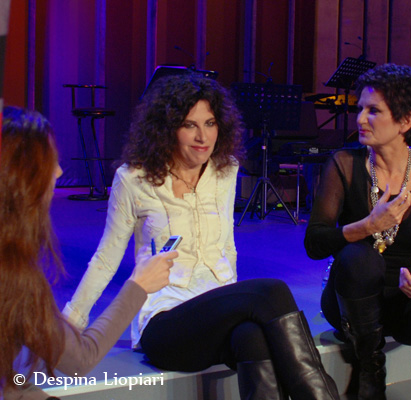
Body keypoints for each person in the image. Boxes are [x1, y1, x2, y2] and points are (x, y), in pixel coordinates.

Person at [62, 74, 340, 400]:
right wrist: (70, 325)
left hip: (217, 311)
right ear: (167, 128)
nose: (202, 137)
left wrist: (238, 304)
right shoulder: (134, 178)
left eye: (209, 124)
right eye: (189, 125)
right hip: (166, 322)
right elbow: (106, 258)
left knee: (252, 336)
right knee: (272, 292)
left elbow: (227, 247)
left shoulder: (225, 170)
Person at [305, 64, 411, 400]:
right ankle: (370, 371)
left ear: (405, 121)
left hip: (404, 305)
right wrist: (367, 226)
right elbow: (315, 243)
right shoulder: (345, 164)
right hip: (350, 305)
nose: (361, 119)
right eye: (360, 109)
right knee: (359, 257)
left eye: (373, 111)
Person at [0, 106, 178, 400]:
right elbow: (80, 359)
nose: (59, 171)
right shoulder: (12, 274)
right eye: (50, 162)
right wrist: (138, 286)